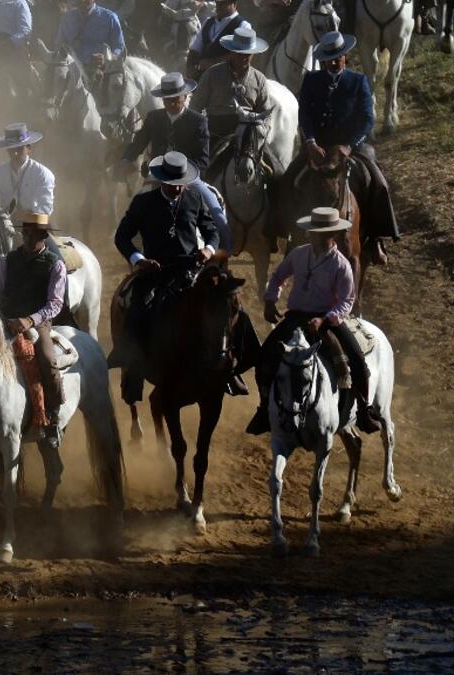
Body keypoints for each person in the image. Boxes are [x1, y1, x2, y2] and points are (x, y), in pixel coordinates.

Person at [247, 207, 381, 435]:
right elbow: (278, 276)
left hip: (328, 321)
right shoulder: (298, 254)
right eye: (313, 232)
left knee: (357, 359)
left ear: (332, 235)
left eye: (319, 233)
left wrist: (325, 319)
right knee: (264, 356)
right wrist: (270, 300)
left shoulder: (341, 265)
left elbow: (347, 300)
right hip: (296, 316)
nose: (313, 236)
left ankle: (364, 411)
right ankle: (263, 408)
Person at [112, 152, 219, 401]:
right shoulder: (144, 202)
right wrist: (139, 260)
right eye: (173, 185)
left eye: (181, 183)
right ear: (162, 182)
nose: (178, 189)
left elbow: (211, 231)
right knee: (137, 312)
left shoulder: (194, 198)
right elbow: (122, 237)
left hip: (191, 270)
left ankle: (225, 370)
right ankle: (133, 374)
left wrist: (208, 249)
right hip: (155, 273)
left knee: (222, 307)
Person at [284, 31, 399, 247]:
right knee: (289, 178)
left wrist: (349, 145)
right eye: (328, 59)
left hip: (351, 147)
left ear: (346, 56)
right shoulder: (311, 80)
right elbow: (305, 115)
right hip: (318, 148)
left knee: (379, 183)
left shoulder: (358, 81)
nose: (333, 62)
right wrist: (310, 142)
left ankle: (376, 236)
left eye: (337, 57)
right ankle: (288, 233)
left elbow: (367, 120)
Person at [0, 211, 69, 446]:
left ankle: (52, 417)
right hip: (5, 318)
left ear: (43, 236)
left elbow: (55, 304)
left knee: (47, 358)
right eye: (25, 233)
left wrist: (30, 320)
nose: (28, 237)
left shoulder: (55, 264)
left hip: (37, 322)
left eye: (33, 234)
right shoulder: (8, 260)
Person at [188, 26, 271, 147]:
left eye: (247, 54)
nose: (243, 57)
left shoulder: (260, 79)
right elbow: (195, 106)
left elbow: (266, 113)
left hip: (248, 139)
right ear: (231, 51)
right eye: (239, 53)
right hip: (215, 135)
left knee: (272, 163)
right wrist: (198, 131)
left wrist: (262, 131)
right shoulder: (212, 74)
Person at [119, 73, 209, 175]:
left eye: (175, 99)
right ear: (162, 99)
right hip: (156, 175)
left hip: (187, 177)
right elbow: (139, 142)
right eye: (167, 99)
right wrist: (127, 159)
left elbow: (202, 161)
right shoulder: (153, 118)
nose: (171, 104)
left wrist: (181, 171)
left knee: (205, 192)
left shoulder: (198, 121)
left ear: (184, 97)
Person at [0, 123, 56, 216]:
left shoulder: (43, 174)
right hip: (5, 225)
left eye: (19, 148)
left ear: (29, 148)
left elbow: (45, 208)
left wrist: (21, 215)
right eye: (11, 149)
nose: (15, 153)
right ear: (7, 150)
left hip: (34, 227)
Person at [185, 0, 251, 78]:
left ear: (234, 4)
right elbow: (195, 49)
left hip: (226, 79)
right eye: (217, 3)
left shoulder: (243, 26)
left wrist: (212, 63)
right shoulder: (208, 21)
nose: (218, 6)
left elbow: (240, 56)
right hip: (202, 78)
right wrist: (190, 67)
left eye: (223, 3)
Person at [55, 0, 125, 69]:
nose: (82, 1)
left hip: (100, 71)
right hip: (71, 69)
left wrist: (107, 58)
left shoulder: (110, 18)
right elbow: (59, 44)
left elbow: (119, 47)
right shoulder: (66, 18)